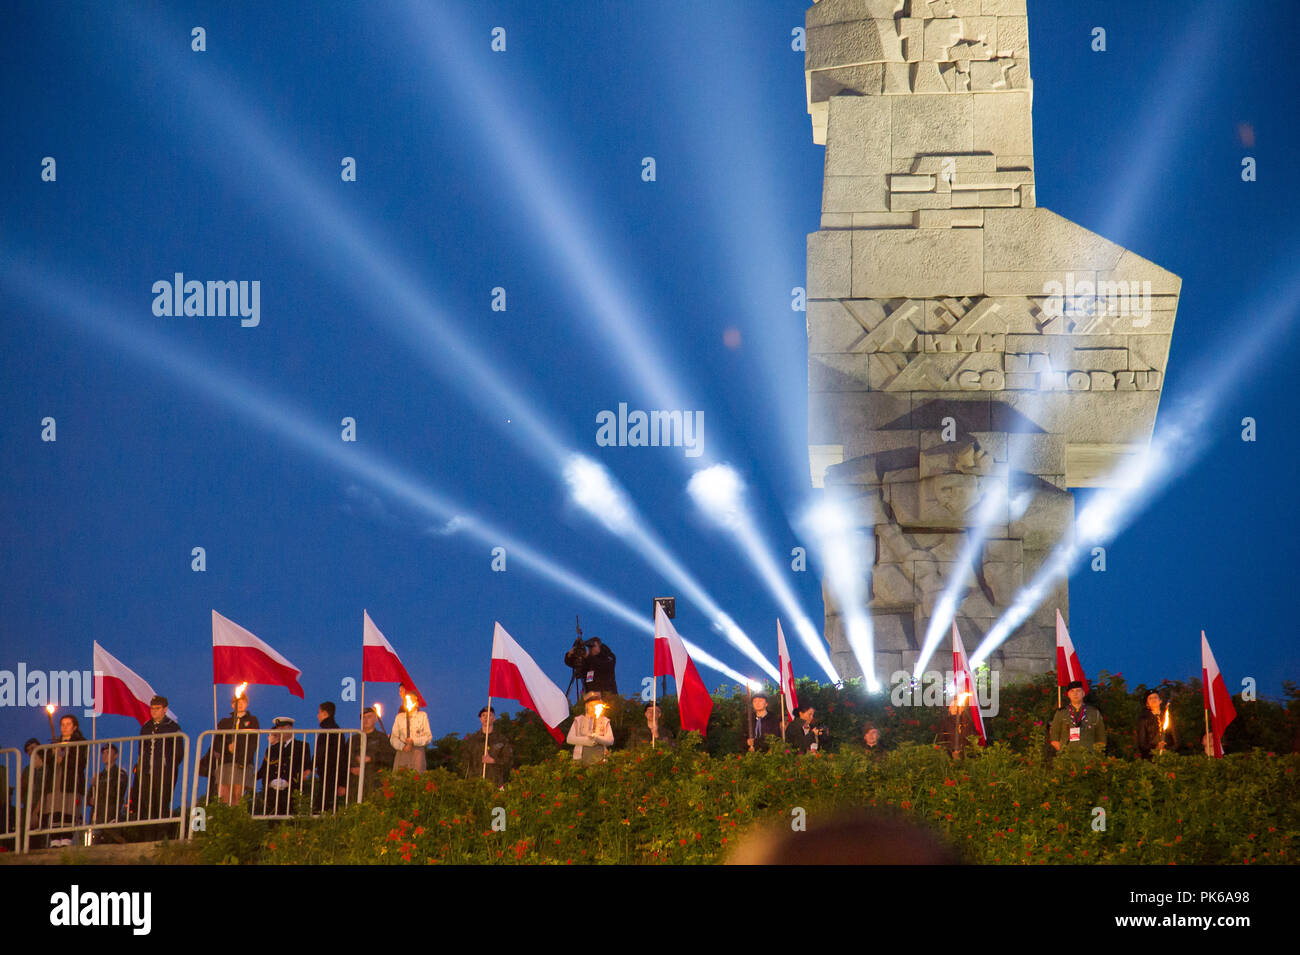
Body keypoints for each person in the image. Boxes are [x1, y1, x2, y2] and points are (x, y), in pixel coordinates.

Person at [131, 695, 182, 838]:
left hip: (164, 771)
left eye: (157, 709)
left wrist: (169, 766)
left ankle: (162, 835)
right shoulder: (146, 727)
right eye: (152, 708)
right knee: (147, 802)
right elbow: (141, 748)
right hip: (147, 770)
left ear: (164, 709)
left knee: (162, 801)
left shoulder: (172, 727)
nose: (154, 711)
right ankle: (148, 835)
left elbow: (178, 752)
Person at [42, 714, 89, 846]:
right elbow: (47, 762)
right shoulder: (55, 742)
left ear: (75, 727)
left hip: (71, 783)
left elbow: (80, 763)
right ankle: (54, 840)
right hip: (55, 783)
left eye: (68, 724)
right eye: (62, 724)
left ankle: (67, 839)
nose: (64, 727)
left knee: (68, 809)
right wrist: (52, 755)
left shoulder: (80, 742)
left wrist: (64, 759)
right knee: (55, 809)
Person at [255, 717, 312, 816]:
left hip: (291, 790)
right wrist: (269, 782)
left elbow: (305, 766)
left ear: (290, 729)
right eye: (278, 729)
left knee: (289, 818)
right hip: (272, 791)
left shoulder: (301, 746)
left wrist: (288, 780)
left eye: (282, 728)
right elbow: (264, 769)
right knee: (271, 820)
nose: (279, 731)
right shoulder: (271, 749)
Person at [213, 691, 260, 805]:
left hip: (242, 762)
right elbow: (217, 741)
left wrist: (242, 760)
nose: (239, 704)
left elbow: (252, 742)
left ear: (247, 703)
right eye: (236, 702)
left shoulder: (252, 720)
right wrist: (227, 748)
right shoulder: (225, 722)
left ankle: (238, 818)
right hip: (226, 761)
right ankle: (226, 819)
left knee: (237, 793)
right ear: (232, 705)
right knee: (224, 794)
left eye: (242, 702)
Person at [462, 706, 515, 786]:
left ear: (494, 719)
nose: (486, 717)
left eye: (489, 715)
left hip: (496, 783)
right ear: (480, 719)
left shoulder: (502, 740)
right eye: (483, 715)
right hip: (476, 784)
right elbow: (465, 763)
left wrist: (493, 761)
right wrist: (472, 778)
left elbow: (509, 761)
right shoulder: (472, 740)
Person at [1049, 680, 1106, 754]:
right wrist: (1063, 752)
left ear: (1083, 693)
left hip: (1088, 758)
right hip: (1067, 758)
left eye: (1078, 691)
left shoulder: (1094, 712)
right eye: (1072, 691)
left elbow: (1101, 738)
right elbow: (1054, 738)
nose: (1075, 693)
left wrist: (1095, 754)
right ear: (1068, 694)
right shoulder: (1061, 713)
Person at [351, 706, 395, 799]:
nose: (366, 720)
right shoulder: (354, 739)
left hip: (375, 782)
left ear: (375, 719)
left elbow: (390, 758)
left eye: (369, 717)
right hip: (355, 784)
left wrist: (371, 758)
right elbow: (345, 757)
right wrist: (352, 768)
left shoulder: (382, 738)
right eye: (363, 717)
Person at [312, 701, 349, 812]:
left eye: (319, 712)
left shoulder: (329, 730)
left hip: (330, 773)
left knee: (323, 804)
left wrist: (312, 764)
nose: (317, 715)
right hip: (331, 772)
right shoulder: (334, 729)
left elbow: (323, 752)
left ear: (324, 713)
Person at [89, 743, 129, 842]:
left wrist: (99, 785)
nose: (104, 755)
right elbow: (90, 796)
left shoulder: (120, 774)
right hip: (97, 817)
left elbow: (116, 792)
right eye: (103, 753)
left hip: (111, 816)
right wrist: (90, 799)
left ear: (115, 756)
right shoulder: (99, 776)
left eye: (108, 752)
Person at [390, 684, 431, 773]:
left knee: (417, 779)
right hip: (402, 753)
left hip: (417, 753)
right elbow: (393, 738)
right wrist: (403, 746)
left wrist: (413, 741)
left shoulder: (422, 716)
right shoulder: (399, 717)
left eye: (412, 698)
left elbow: (428, 737)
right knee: (399, 778)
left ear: (416, 701)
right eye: (406, 699)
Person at [567, 691, 614, 764]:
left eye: (596, 705)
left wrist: (597, 738)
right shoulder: (579, 720)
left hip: (600, 761)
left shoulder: (605, 721)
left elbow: (610, 741)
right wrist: (587, 741)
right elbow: (570, 739)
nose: (593, 708)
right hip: (581, 760)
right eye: (591, 705)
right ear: (586, 706)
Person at [1135, 690, 1177, 759]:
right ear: (1147, 704)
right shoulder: (1143, 720)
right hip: (1151, 758)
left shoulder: (1168, 717)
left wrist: (1167, 750)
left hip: (1169, 757)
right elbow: (1142, 744)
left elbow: (1176, 741)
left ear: (1160, 701)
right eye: (1150, 698)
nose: (1153, 700)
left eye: (1155, 697)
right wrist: (1156, 747)